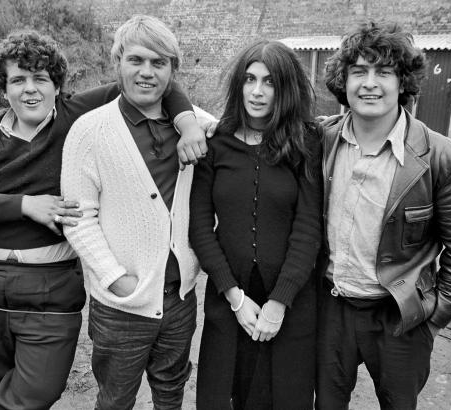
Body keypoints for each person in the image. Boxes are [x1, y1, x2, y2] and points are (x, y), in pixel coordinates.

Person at [0, 30, 206, 409]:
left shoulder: (77, 116)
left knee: (35, 392)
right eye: (18, 80)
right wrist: (25, 205)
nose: (30, 90)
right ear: (4, 88)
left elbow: (153, 79)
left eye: (40, 79)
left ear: (57, 85)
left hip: (48, 286)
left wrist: (187, 121)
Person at [316, 22, 451, 409]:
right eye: (358, 71)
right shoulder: (320, 140)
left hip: (399, 319)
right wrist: (185, 118)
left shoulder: (445, 158)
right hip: (331, 310)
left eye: (384, 72)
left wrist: (429, 320)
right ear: (343, 81)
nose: (369, 83)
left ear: (402, 82)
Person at [61, 15, 213, 410]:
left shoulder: (197, 125)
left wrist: (189, 122)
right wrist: (113, 278)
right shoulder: (89, 130)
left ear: (172, 72)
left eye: (159, 63)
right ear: (118, 63)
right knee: (115, 400)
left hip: (180, 299)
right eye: (137, 60)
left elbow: (249, 131)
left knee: (171, 393)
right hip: (122, 306)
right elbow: (79, 217)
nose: (147, 72)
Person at [189, 40, 323, 410]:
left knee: (284, 397)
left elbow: (308, 228)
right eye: (250, 79)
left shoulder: (305, 142)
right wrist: (233, 296)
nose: (258, 91)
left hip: (290, 305)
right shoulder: (215, 144)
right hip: (229, 301)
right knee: (222, 396)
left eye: (270, 82)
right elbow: (200, 226)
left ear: (287, 88)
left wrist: (279, 302)